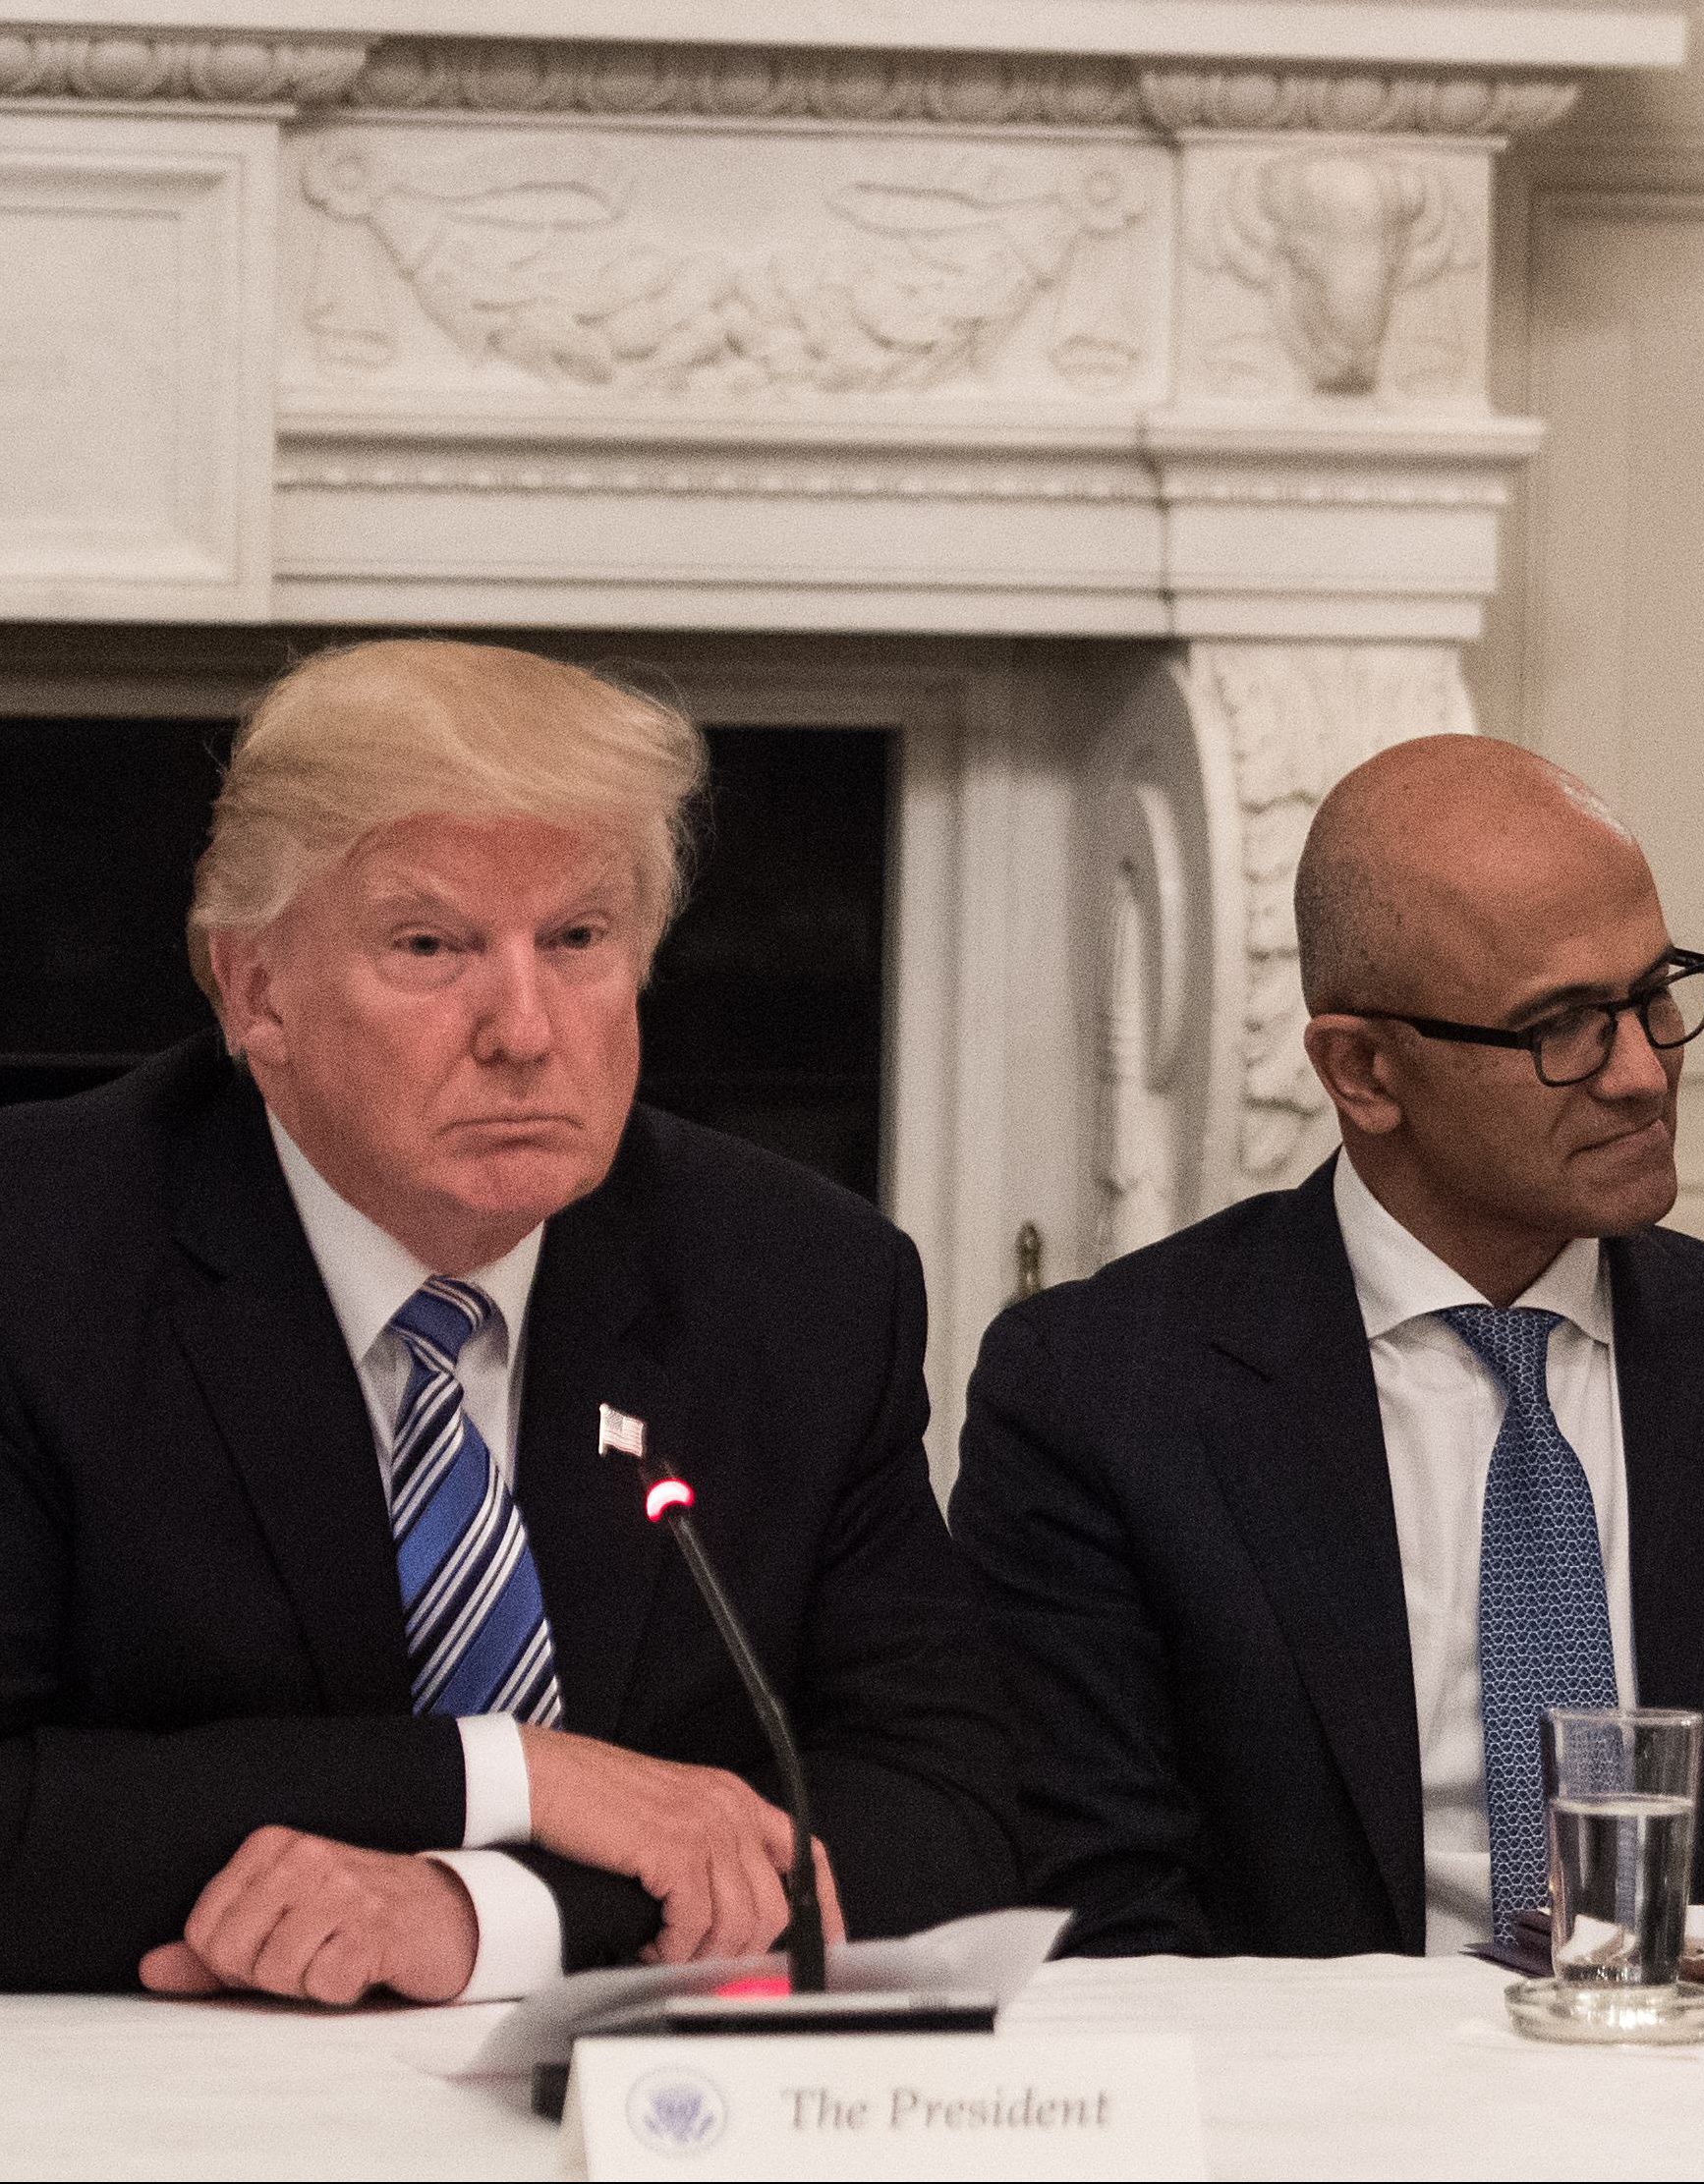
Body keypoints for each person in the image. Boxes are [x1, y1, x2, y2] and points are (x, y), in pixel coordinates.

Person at [0, 640, 1019, 2002]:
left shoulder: (801, 1282)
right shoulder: (40, 1251)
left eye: (580, 939)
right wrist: (517, 1773)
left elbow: (946, 1804)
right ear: (254, 991)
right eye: (432, 945)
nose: (526, 1028)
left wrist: (491, 1911)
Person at [952, 734, 1704, 1956]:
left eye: (1654, 995)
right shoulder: (1100, 1395)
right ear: (1362, 1070)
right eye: (1561, 1026)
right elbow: (1098, 1915)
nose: (1641, 1074)